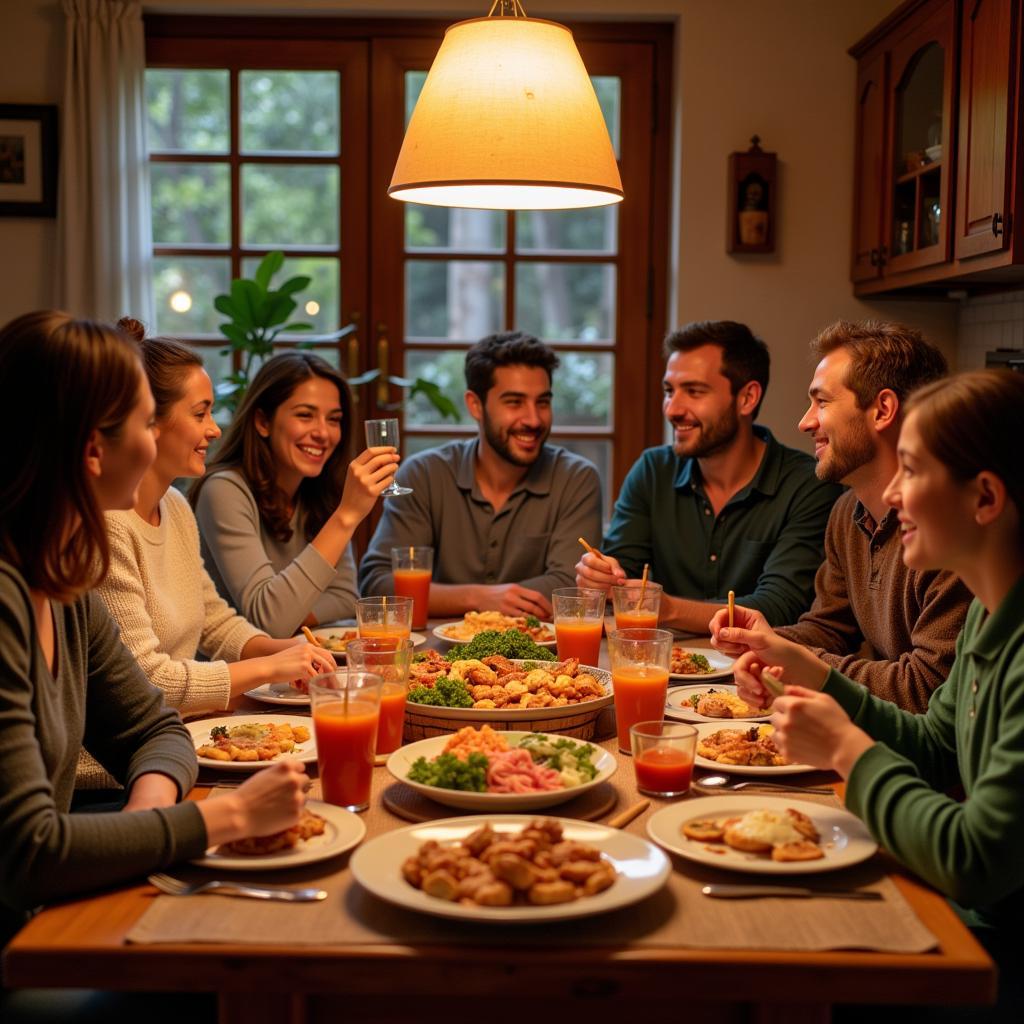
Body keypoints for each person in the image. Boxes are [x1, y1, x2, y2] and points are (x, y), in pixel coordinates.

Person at [0, 311, 309, 950]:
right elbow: (31, 851)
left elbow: (154, 728)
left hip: (58, 903)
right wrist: (226, 815)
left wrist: (144, 825)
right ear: (92, 450)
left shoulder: (61, 578)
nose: (153, 441)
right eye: (146, 422)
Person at [730, 370, 1024, 1020]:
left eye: (911, 471)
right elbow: (938, 747)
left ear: (984, 499)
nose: (890, 495)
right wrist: (815, 676)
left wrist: (848, 751)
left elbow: (977, 860)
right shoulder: (987, 612)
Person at [711, 321, 971, 712]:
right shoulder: (847, 511)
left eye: (822, 402)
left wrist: (799, 663)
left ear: (883, 409)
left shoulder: (949, 528)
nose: (805, 422)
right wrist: (767, 642)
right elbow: (831, 629)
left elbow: (926, 689)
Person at [94, 320, 337, 723]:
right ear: (149, 421)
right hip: (117, 774)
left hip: (174, 735)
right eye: (200, 413)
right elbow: (148, 680)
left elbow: (215, 622)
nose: (214, 428)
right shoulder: (109, 525)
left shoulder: (173, 506)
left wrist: (287, 651)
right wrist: (273, 667)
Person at [576, 320, 841, 631]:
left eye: (694, 391)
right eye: (669, 391)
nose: (672, 409)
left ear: (747, 398)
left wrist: (666, 608)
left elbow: (781, 606)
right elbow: (620, 576)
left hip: (754, 670)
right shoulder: (652, 471)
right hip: (655, 669)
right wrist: (601, 577)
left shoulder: (808, 485)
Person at [359, 331, 602, 619]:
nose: (533, 419)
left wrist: (453, 598)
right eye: (514, 402)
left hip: (542, 657)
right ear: (475, 405)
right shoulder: (424, 474)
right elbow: (379, 586)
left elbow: (570, 590)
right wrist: (479, 598)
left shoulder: (577, 479)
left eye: (543, 402)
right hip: (434, 656)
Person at [192, 351, 398, 635]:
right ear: (263, 422)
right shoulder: (223, 490)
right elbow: (271, 620)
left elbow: (347, 598)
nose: (323, 433)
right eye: (305, 415)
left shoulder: (319, 492)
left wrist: (295, 616)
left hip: (300, 665)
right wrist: (347, 515)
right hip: (234, 674)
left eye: (334, 419)